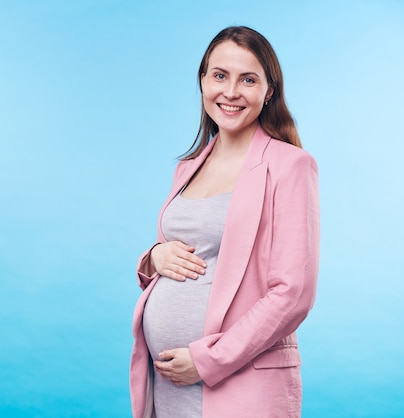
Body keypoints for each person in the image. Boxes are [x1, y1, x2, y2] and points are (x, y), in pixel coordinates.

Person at [129, 26, 320, 418]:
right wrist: (154, 257)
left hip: (238, 381)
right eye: (219, 75)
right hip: (168, 385)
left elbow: (293, 293)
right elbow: (196, 250)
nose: (230, 92)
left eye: (248, 79)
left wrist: (208, 360)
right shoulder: (188, 167)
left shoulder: (290, 166)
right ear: (202, 81)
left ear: (268, 91)